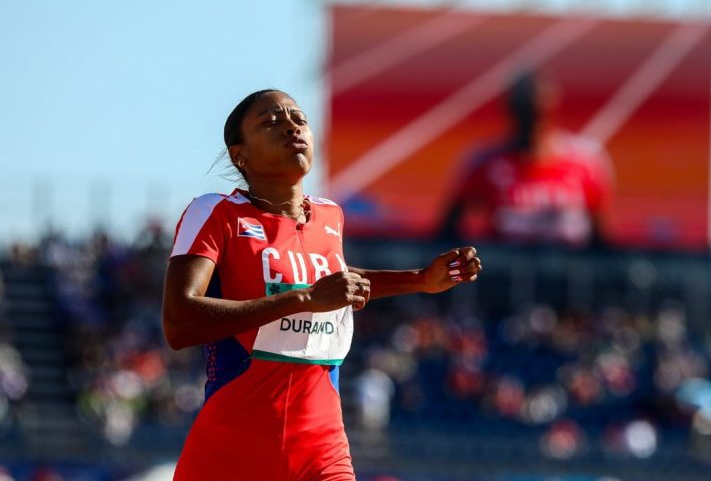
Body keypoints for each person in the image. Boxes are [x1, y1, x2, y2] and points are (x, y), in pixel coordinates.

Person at [162, 89, 482, 480]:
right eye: (271, 121)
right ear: (239, 155)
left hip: (321, 445)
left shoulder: (330, 216)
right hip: (233, 446)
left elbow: (336, 282)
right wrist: (306, 299)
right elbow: (180, 321)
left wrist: (421, 280)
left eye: (299, 118)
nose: (291, 126)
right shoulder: (215, 212)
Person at [441, 70, 613, 247]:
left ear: (552, 109)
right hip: (506, 266)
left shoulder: (586, 161)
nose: (532, 121)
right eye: (525, 112)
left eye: (539, 112)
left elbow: (599, 237)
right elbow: (447, 231)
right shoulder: (484, 162)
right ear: (511, 112)